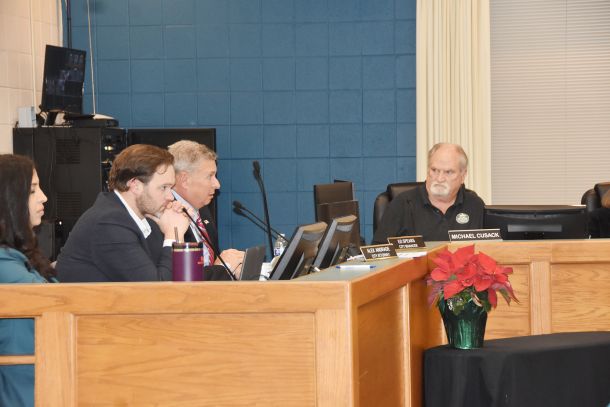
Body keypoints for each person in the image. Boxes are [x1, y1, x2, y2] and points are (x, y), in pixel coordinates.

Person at [56, 144, 191, 282]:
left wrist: (169, 231)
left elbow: (173, 274)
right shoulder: (108, 222)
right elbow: (156, 288)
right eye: (163, 187)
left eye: (170, 188)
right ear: (135, 185)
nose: (170, 197)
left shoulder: (144, 219)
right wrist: (173, 234)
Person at [0, 154, 57, 407]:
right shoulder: (10, 273)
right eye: (33, 190)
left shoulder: (18, 258)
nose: (43, 197)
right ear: (8, 199)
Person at [372, 143, 485, 243]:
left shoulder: (475, 205)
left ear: (463, 175)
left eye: (448, 172)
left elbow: (488, 249)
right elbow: (380, 252)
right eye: (434, 170)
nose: (439, 178)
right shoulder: (402, 204)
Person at [168, 140, 244, 280]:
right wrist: (224, 267)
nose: (217, 184)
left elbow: (211, 264)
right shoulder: (166, 214)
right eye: (210, 176)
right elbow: (182, 277)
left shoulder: (202, 210)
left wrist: (232, 270)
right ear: (185, 180)